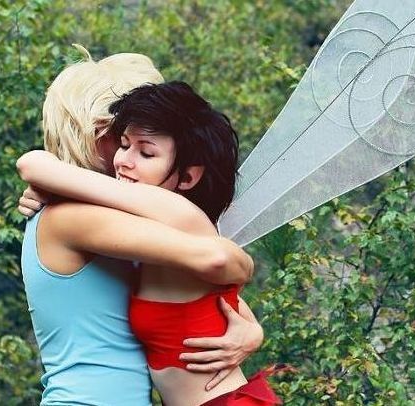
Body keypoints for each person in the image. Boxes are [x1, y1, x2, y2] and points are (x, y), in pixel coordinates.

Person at [17, 48, 264, 405]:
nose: (126, 156)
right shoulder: (75, 216)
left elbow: (209, 294)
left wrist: (252, 330)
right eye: (122, 137)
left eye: (147, 145)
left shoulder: (126, 221)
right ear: (95, 132)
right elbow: (218, 260)